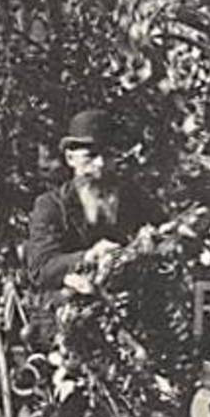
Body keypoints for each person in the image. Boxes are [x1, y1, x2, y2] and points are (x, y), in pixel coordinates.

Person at [25, 109, 164, 344]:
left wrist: (158, 237)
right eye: (90, 156)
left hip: (131, 316)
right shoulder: (50, 205)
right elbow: (41, 268)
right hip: (68, 319)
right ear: (70, 158)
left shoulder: (135, 198)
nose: (101, 164)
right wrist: (88, 256)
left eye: (108, 155)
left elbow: (161, 233)